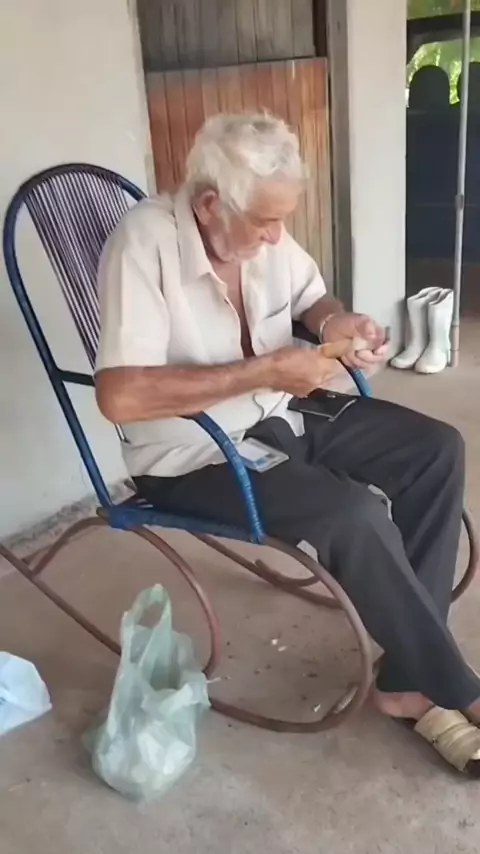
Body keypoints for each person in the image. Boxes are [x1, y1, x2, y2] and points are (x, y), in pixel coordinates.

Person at [96, 113, 480, 775]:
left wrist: (338, 323)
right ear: (210, 205)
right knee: (352, 514)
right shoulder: (143, 245)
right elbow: (120, 397)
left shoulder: (259, 228)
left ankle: (408, 676)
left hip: (282, 414)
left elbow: (311, 297)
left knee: (436, 449)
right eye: (266, 222)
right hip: (194, 453)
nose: (278, 236)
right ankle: (453, 688)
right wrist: (265, 370)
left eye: (283, 220)